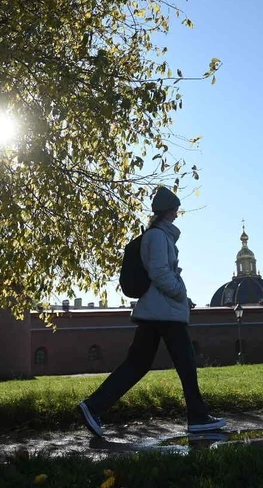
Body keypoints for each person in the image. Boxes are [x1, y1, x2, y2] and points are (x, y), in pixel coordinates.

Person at [78, 187, 226, 437]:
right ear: (168, 211)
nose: (177, 214)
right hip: (164, 313)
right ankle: (198, 417)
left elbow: (160, 274)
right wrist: (180, 292)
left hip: (158, 310)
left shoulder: (158, 235)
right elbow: (159, 272)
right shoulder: (158, 236)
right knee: (186, 364)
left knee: (138, 364)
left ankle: (93, 406)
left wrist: (183, 297)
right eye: (175, 210)